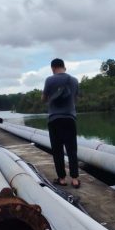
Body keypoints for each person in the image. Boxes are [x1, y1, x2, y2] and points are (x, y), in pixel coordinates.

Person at [43, 58, 80, 188]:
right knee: (72, 150)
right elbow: (75, 98)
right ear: (64, 67)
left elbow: (44, 98)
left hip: (54, 120)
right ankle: (75, 179)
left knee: (57, 151)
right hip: (70, 119)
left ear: (52, 68)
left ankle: (62, 179)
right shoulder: (74, 80)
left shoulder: (49, 80)